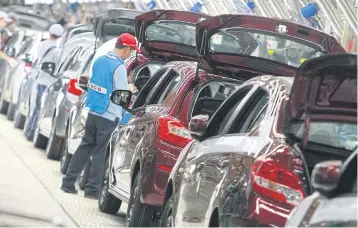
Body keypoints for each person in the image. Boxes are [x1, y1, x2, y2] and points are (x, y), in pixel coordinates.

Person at [61, 33, 141, 199]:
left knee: (85, 147)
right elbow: (120, 94)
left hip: (93, 111)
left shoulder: (100, 60)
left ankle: (68, 183)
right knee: (99, 152)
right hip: (109, 115)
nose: (131, 54)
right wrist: (130, 89)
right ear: (126, 49)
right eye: (131, 51)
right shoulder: (118, 67)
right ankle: (92, 190)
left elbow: (100, 84)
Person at [24, 24, 64, 141]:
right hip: (48, 83)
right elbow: (57, 68)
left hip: (38, 79)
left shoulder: (41, 45)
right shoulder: (57, 51)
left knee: (35, 107)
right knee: (41, 110)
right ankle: (32, 132)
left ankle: (29, 130)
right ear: (60, 35)